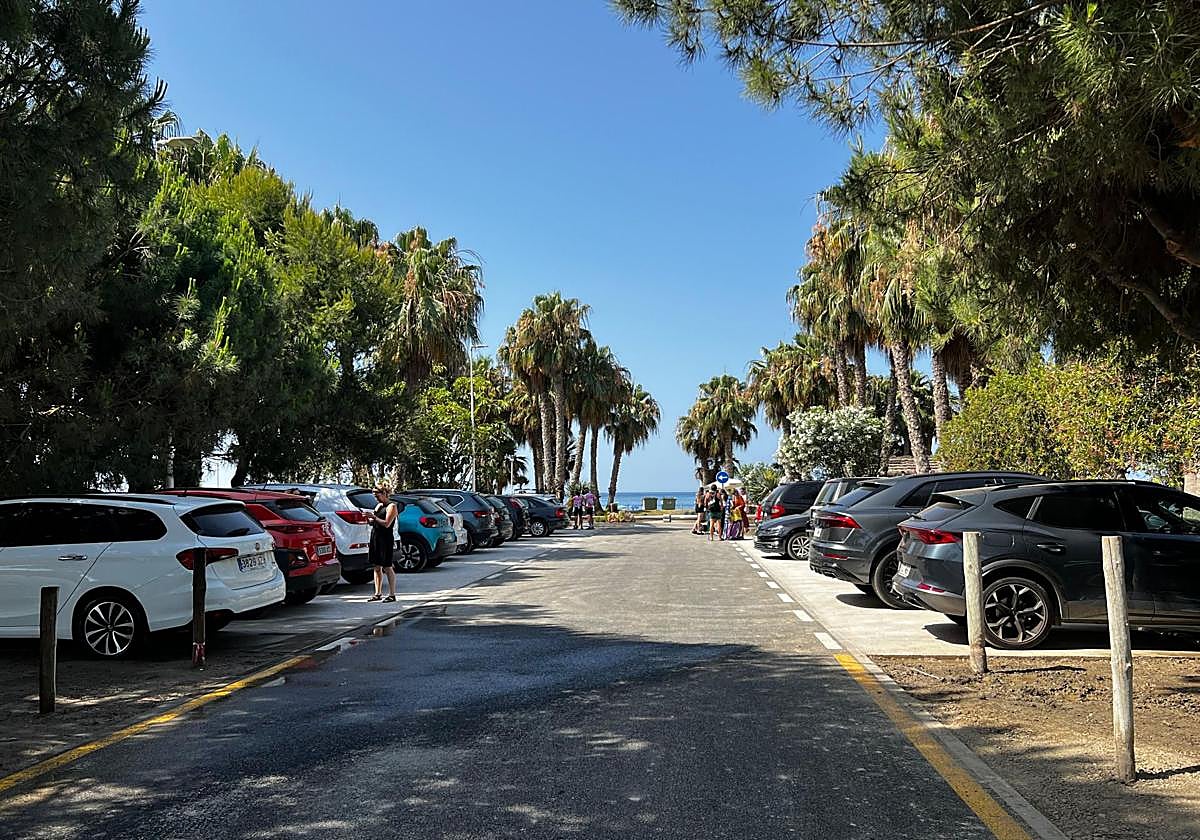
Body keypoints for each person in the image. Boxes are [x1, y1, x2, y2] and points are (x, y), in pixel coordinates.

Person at [367, 485, 398, 602]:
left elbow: (386, 523)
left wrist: (374, 517)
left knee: (387, 566)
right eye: (375, 496)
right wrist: (368, 519)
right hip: (375, 536)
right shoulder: (379, 506)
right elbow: (373, 522)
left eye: (378, 496)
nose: (376, 499)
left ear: (384, 494)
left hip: (386, 538)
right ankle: (377, 593)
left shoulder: (392, 506)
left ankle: (392, 594)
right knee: (376, 566)